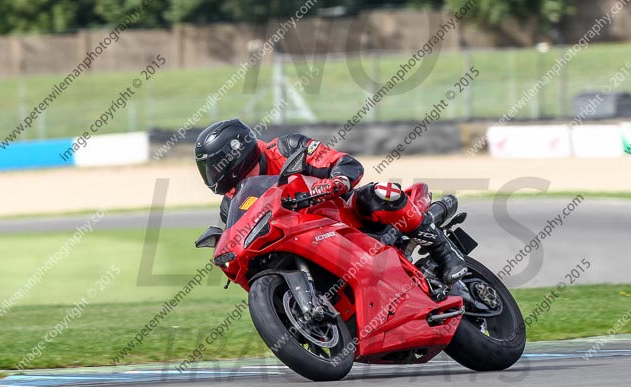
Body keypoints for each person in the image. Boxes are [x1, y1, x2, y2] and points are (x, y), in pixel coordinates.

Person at [194, 119, 467, 284]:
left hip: (340, 214)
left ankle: (445, 253)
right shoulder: (231, 203)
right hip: (295, 241)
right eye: (208, 171)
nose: (213, 176)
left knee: (380, 193)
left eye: (215, 167)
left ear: (236, 154)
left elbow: (342, 162)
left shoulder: (287, 148)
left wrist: (336, 180)